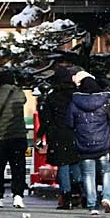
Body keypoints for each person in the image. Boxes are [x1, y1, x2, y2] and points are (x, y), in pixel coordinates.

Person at [67, 71, 110, 216]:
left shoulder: (74, 103)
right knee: (107, 171)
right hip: (102, 143)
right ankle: (107, 197)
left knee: (88, 175)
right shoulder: (106, 102)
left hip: (84, 144)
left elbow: (69, 123)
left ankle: (92, 205)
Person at [0, 70, 28, 209]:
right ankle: (18, 196)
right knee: (18, 167)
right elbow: (24, 99)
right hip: (18, 137)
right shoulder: (19, 94)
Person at [38, 67, 80, 210]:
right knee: (75, 163)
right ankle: (78, 191)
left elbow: (46, 119)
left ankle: (65, 195)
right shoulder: (76, 95)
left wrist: (40, 134)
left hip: (58, 134)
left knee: (63, 164)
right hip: (75, 132)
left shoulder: (52, 97)